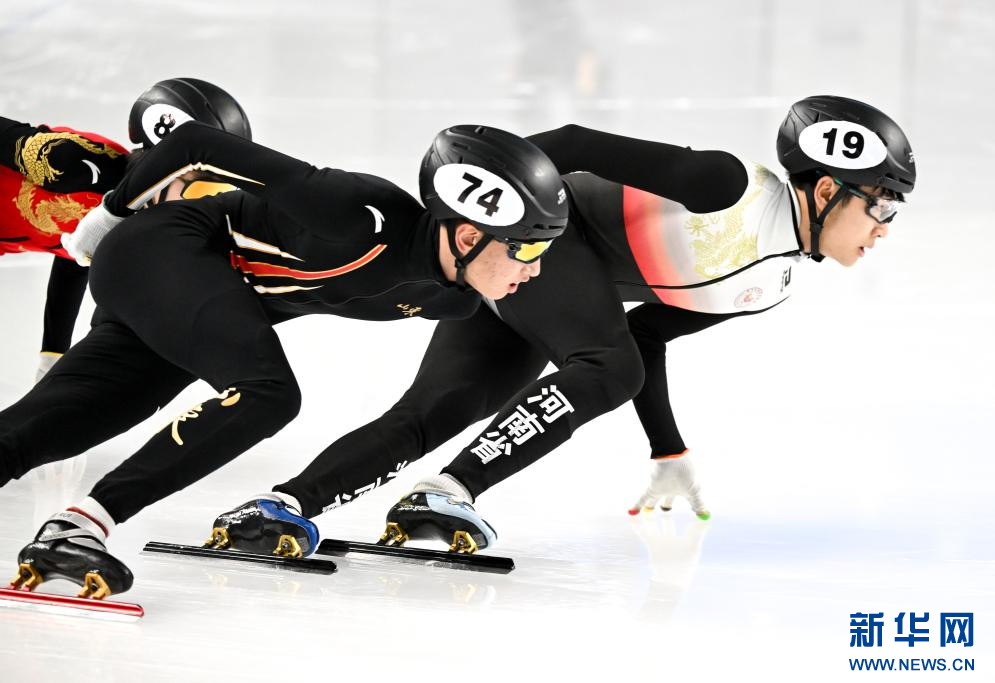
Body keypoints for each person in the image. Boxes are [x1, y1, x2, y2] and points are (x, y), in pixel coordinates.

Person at [209, 95, 915, 556]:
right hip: (528, 246)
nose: (884, 227)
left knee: (437, 410)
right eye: (880, 204)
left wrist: (667, 450)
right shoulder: (728, 187)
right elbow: (573, 143)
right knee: (600, 364)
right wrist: (480, 212)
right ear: (828, 188)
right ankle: (445, 491)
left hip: (549, 289)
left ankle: (281, 506)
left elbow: (643, 338)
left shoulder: (767, 286)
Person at [0, 122, 567, 599]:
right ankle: (79, 527)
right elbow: (196, 142)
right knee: (266, 394)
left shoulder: (451, 298)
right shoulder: (359, 211)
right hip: (163, 250)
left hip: (192, 296)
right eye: (529, 248)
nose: (536, 268)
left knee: (58, 423)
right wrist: (109, 215)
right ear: (467, 236)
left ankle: (63, 518)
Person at [1, 78, 253, 381]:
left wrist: (53, 353)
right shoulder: (75, 163)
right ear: (161, 169)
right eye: (201, 190)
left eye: (220, 193)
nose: (204, 207)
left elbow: (74, 255)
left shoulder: (128, 223)